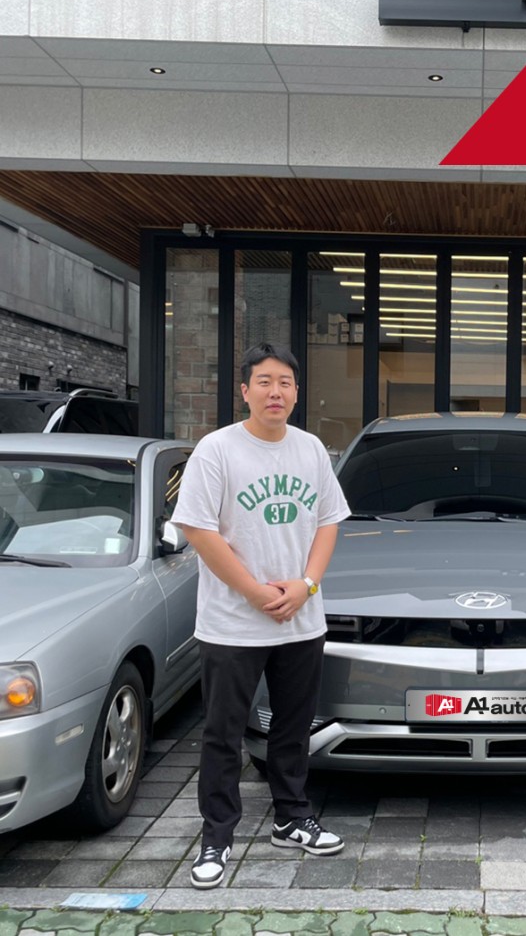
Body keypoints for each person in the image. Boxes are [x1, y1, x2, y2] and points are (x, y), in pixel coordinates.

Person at [172, 342, 351, 890]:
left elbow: (328, 521)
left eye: (286, 383)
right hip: (232, 621)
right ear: (245, 390)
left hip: (301, 617)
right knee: (223, 734)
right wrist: (252, 591)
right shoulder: (217, 450)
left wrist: (306, 584)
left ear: (297, 392)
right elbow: (197, 528)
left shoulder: (310, 448)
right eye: (265, 382)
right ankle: (217, 836)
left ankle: (291, 818)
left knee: (292, 729)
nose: (276, 392)